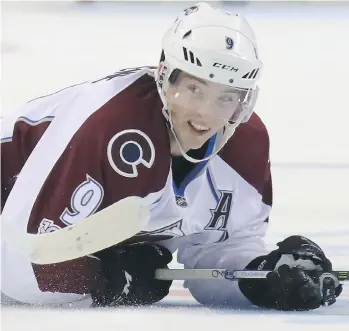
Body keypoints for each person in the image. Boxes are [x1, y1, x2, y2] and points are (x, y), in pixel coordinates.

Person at [1, 2, 342, 310]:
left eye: (226, 97)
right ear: (164, 76)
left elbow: (215, 254)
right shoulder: (110, 125)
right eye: (195, 89)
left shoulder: (246, 147)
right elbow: (18, 265)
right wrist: (109, 279)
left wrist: (265, 278)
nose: (205, 115)